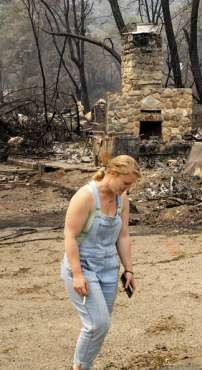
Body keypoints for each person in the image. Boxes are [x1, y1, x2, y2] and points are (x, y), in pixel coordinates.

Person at [61, 155, 140, 370]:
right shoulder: (85, 197)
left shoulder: (122, 200)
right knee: (97, 323)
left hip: (108, 269)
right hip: (83, 266)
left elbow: (123, 236)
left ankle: (83, 365)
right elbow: (70, 235)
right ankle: (80, 367)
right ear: (112, 173)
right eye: (125, 183)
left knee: (100, 326)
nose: (126, 189)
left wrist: (129, 270)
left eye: (130, 185)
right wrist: (77, 274)